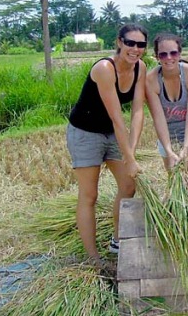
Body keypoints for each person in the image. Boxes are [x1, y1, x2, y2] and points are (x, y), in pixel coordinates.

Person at [67, 23, 147, 263]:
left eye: (141, 45)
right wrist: (130, 159)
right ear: (119, 42)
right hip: (85, 132)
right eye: (130, 43)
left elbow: (137, 112)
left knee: (128, 185)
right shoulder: (105, 68)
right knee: (89, 194)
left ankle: (116, 240)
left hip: (111, 133)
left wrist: (130, 152)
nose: (135, 49)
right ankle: (93, 258)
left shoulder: (140, 68)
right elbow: (116, 117)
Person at [145, 33, 188, 186]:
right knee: (175, 183)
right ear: (156, 56)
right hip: (168, 136)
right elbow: (159, 119)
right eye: (163, 54)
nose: (169, 58)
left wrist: (186, 148)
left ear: (180, 53)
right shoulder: (150, 80)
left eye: (173, 53)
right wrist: (169, 150)